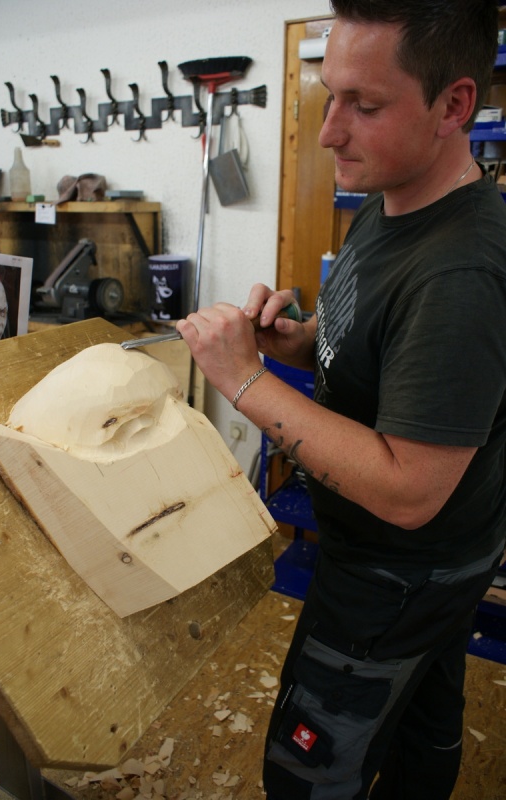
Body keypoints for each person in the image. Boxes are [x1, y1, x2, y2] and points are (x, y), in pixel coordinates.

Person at [176, 1, 506, 797]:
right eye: (332, 96)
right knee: (422, 727)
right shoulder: (394, 201)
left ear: (453, 106)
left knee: (306, 773)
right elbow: (379, 345)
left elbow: (407, 490)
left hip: (400, 573)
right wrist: (297, 341)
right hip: (426, 561)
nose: (329, 132)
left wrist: (244, 381)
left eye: (365, 105)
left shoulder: (461, 272)